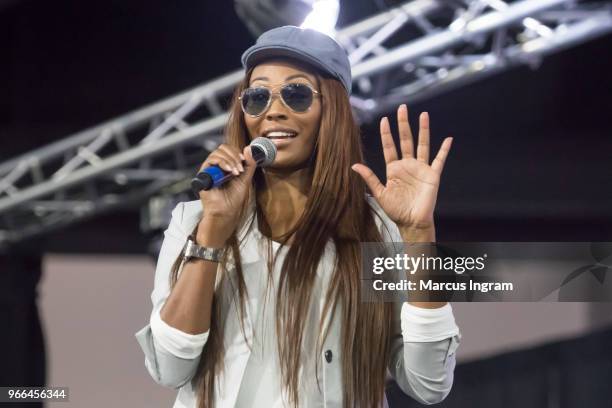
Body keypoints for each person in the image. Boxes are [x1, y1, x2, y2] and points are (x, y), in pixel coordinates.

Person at [135, 25, 461, 408]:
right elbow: (170, 368)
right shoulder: (194, 220)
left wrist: (420, 234)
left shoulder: (377, 229)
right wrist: (212, 232)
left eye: (296, 94)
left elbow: (429, 382)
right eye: (257, 97)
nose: (274, 110)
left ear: (333, 111)